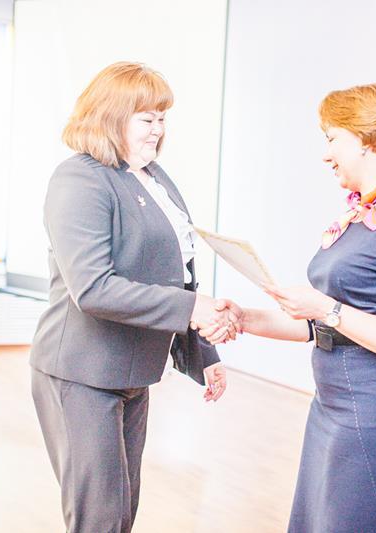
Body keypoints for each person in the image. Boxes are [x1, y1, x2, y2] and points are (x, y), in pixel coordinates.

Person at [208, 83, 376, 532]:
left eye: (332, 139)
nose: (326, 154)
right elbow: (323, 327)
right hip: (335, 399)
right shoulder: (364, 213)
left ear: (366, 141)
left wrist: (326, 307)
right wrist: (245, 317)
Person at [29, 62, 236, 533]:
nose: (159, 129)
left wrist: (201, 352)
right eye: (147, 119)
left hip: (133, 371)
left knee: (122, 513)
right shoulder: (79, 179)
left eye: (163, 118)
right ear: (111, 117)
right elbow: (93, 288)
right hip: (81, 373)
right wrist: (194, 310)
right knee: (100, 520)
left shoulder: (153, 177)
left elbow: (176, 275)